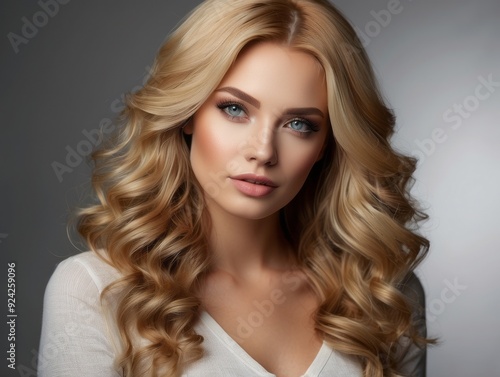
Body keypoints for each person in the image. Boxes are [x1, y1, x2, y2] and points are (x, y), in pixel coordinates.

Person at [38, 0, 432, 376]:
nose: (262, 151)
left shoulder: (382, 295)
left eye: (299, 124)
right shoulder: (94, 291)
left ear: (326, 144)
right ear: (188, 113)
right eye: (234, 109)